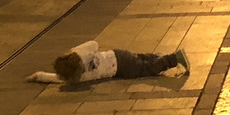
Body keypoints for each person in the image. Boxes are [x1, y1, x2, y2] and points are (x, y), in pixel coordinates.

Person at [28, 40, 189, 85]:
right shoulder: (80, 54)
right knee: (143, 59)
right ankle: (160, 57)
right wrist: (76, 53)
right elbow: (94, 44)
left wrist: (39, 76)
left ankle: (173, 59)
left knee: (146, 68)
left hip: (120, 68)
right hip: (116, 54)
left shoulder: (79, 77)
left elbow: (57, 78)